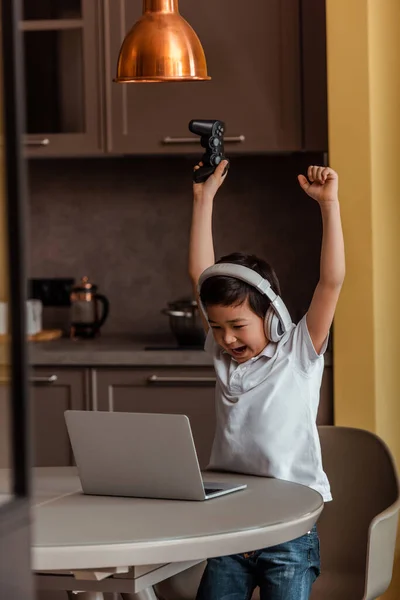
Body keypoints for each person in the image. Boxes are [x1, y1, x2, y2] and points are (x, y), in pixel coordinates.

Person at [188, 160, 345, 600]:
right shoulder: (224, 358)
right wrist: (203, 199)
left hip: (288, 531)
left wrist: (328, 205)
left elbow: (331, 282)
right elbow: (199, 278)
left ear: (272, 316)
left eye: (238, 325)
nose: (227, 337)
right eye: (217, 328)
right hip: (230, 525)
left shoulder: (298, 351)